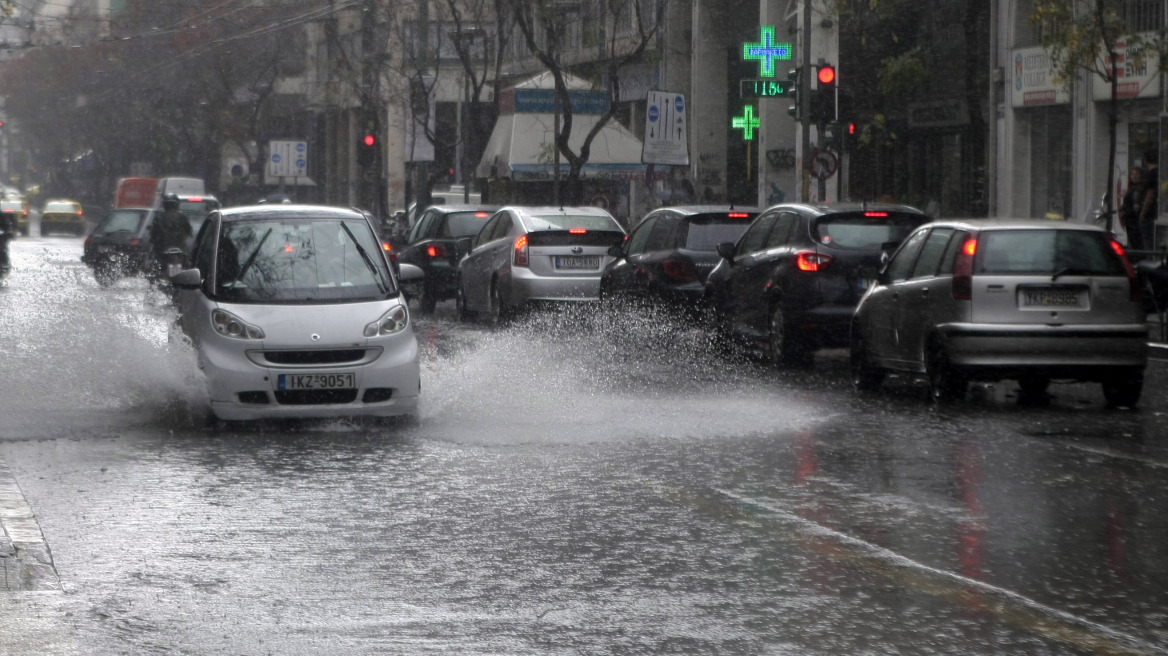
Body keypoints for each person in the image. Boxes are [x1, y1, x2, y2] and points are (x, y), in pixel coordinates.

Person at [148, 193, 193, 282]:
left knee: (153, 266)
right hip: (180, 248)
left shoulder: (159, 217)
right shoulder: (182, 217)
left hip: (162, 248)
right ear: (177, 205)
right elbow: (189, 231)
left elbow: (153, 233)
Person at [1138, 149, 1159, 251]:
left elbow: (1150, 195)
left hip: (1150, 214)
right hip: (1156, 212)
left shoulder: (1151, 175)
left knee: (1148, 243)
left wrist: (1142, 213)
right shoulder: (1159, 173)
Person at [1121, 167, 1145, 250]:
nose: (1134, 176)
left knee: (1136, 244)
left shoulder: (1137, 190)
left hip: (1133, 221)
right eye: (1132, 174)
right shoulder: (1132, 189)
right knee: (1134, 243)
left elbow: (1136, 207)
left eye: (1136, 174)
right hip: (1130, 220)